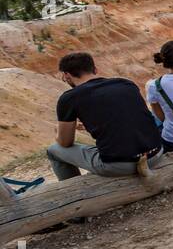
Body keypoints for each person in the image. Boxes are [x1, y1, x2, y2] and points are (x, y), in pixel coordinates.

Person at [46, 51, 163, 181]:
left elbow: (65, 142)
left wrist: (58, 131)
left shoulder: (69, 98)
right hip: (156, 154)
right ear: (95, 69)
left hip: (119, 165)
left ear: (66, 75)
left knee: (53, 150)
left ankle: (73, 191)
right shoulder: (126, 83)